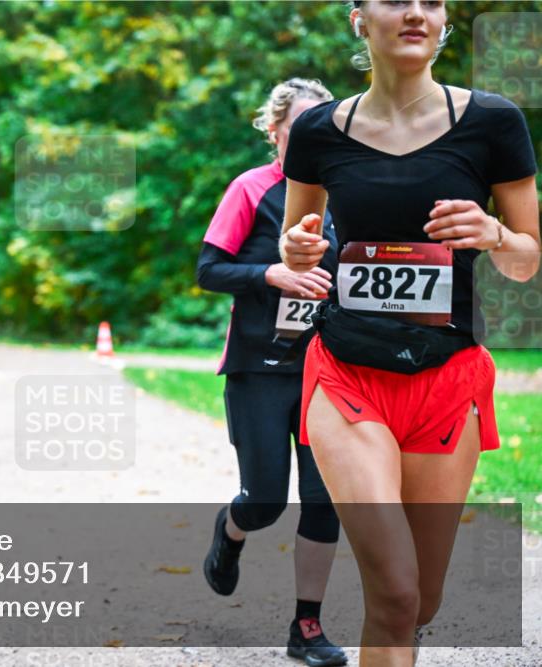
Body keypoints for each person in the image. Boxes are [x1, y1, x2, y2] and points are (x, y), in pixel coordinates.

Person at [280, 1, 539, 664]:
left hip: (447, 378)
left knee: (420, 601)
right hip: (349, 374)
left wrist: (496, 233)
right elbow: (295, 242)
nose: (416, 12)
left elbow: (525, 259)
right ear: (359, 17)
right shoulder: (317, 130)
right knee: (394, 594)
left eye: (431, 0)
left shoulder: (491, 122)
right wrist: (300, 252)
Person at [197, 78, 347, 667]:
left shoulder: (345, 191)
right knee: (264, 501)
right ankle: (230, 532)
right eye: (301, 128)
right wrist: (271, 275)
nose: (313, 139)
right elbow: (208, 269)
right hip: (260, 368)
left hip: (329, 370)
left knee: (322, 499)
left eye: (324, 127)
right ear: (275, 131)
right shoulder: (252, 188)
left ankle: (306, 628)